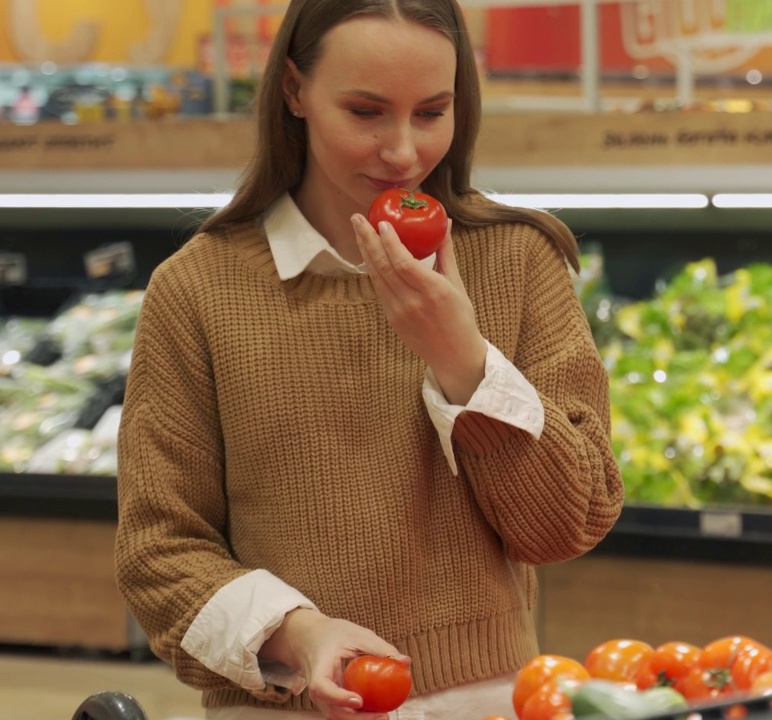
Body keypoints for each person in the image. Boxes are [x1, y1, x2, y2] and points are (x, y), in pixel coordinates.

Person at [113, 1, 624, 718]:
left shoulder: (516, 259)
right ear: (294, 90)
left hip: (488, 702)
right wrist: (299, 634)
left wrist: (465, 361)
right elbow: (159, 550)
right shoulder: (197, 290)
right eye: (366, 112)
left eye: (431, 112)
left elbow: (570, 525)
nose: (404, 152)